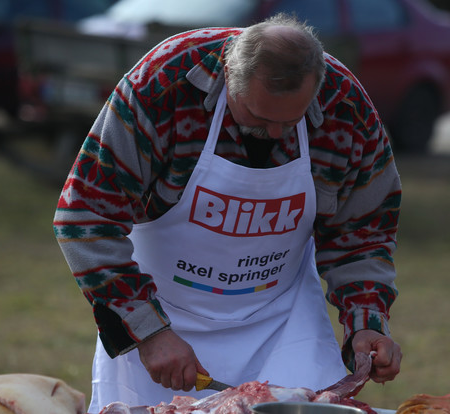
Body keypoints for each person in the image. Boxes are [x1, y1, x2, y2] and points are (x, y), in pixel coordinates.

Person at [54, 13, 402, 412]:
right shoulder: (160, 86)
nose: (275, 134)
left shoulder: (347, 108)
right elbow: (84, 217)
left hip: (281, 319)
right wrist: (148, 332)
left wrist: (366, 321)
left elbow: (364, 234)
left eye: (291, 121)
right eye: (259, 117)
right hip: (161, 312)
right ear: (228, 75)